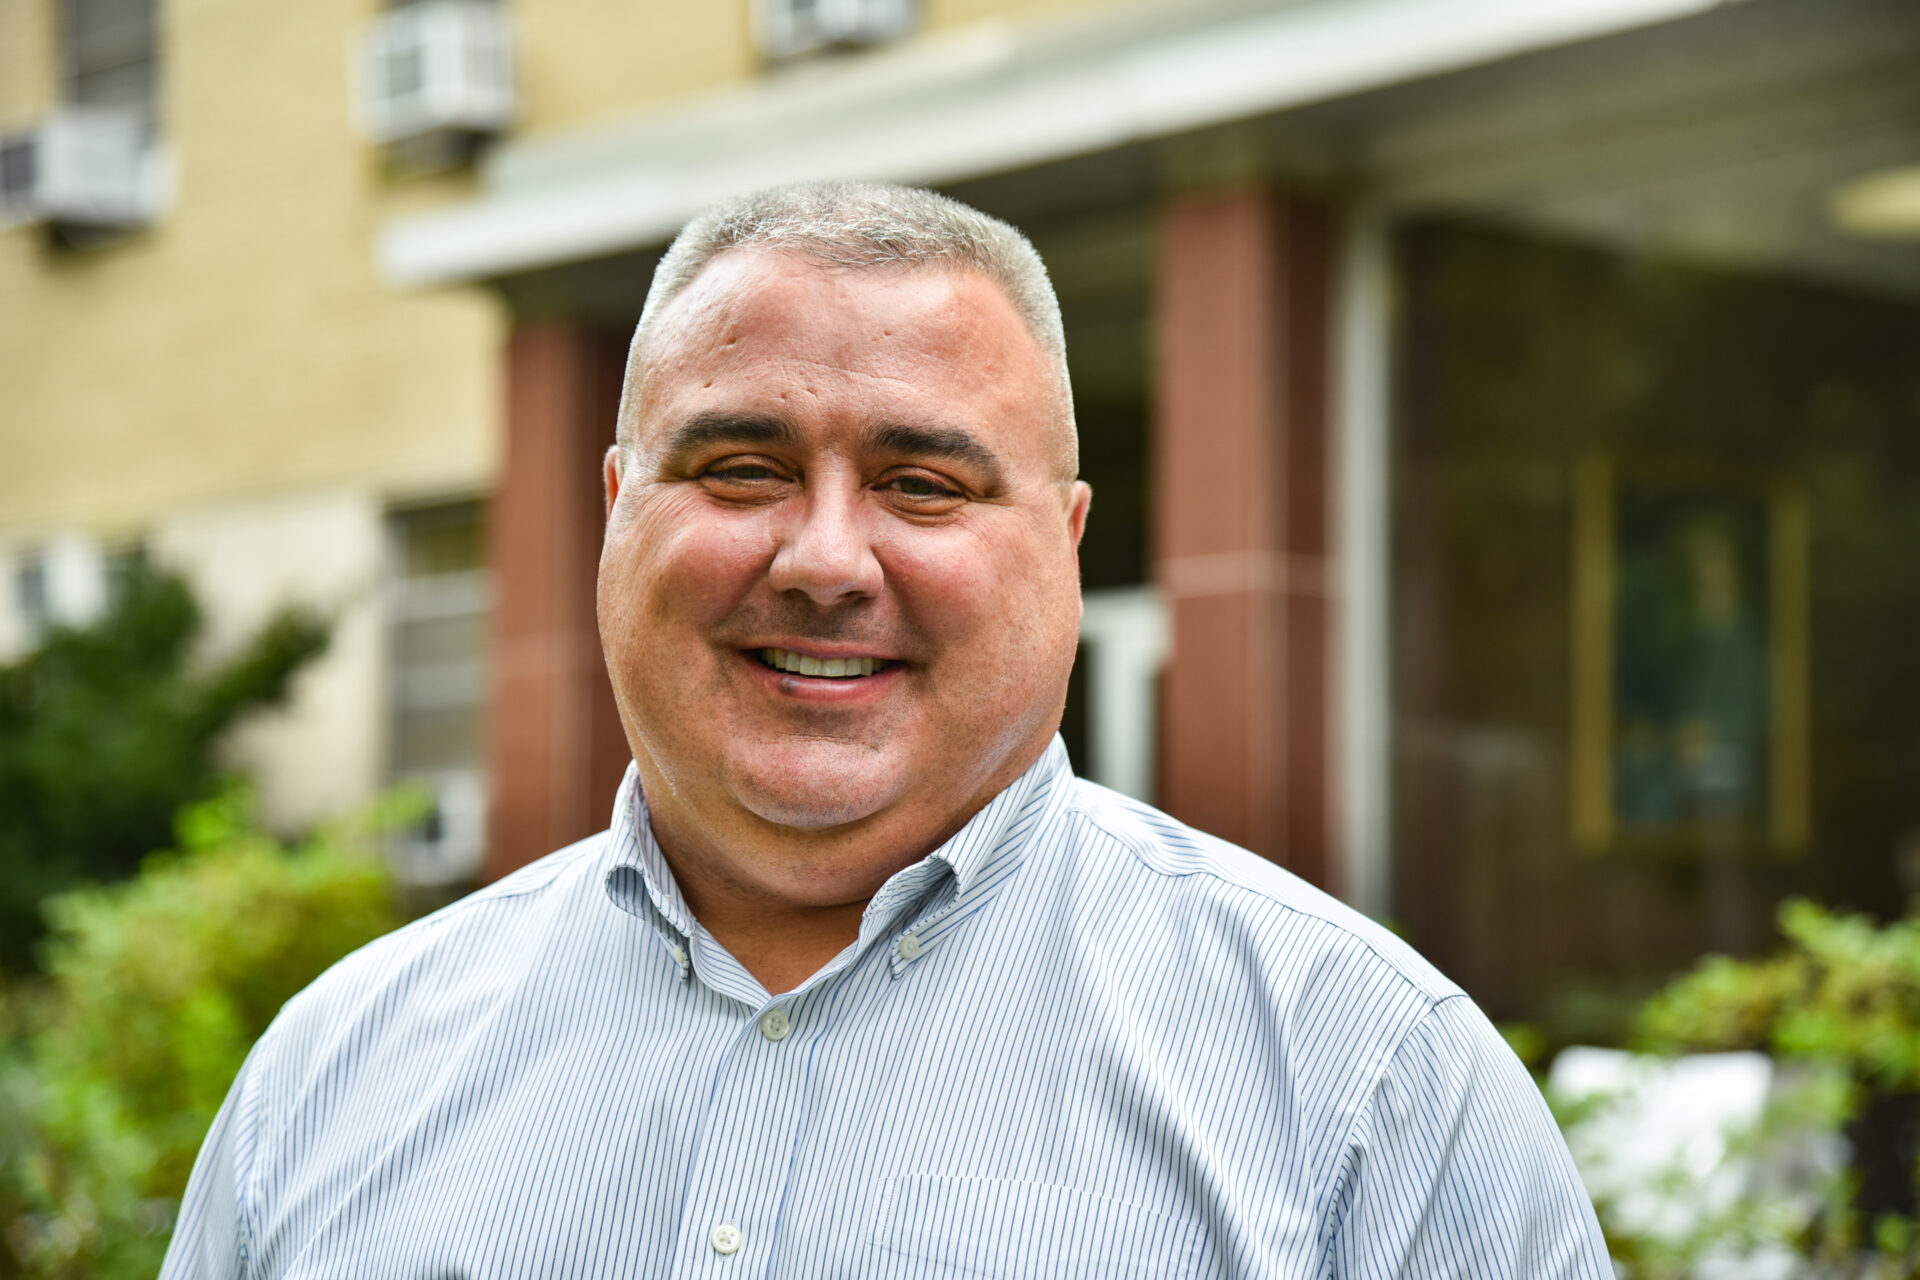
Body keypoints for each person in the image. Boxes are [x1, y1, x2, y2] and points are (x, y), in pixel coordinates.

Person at [162, 181, 1610, 1278]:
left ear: (1067, 541)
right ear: (616, 514)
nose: (826, 560)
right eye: (741, 467)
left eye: (925, 485)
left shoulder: (1369, 1088)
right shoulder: (333, 1078)